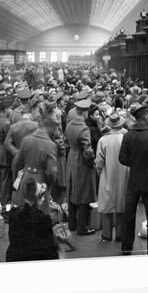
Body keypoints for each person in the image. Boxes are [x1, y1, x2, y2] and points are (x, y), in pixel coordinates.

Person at [118, 102, 148, 255]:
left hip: (134, 179)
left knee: (129, 213)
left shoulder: (128, 135)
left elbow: (122, 159)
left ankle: (126, 247)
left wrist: (135, 163)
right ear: (145, 116)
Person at [12, 110, 59, 214]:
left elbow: (17, 163)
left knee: (23, 212)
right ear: (50, 127)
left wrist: (18, 180)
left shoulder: (26, 140)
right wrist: (50, 185)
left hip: (25, 178)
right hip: (41, 183)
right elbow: (51, 172)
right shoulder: (50, 145)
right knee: (39, 215)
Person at [6, 177, 58, 262]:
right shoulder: (42, 219)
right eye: (41, 197)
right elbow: (49, 249)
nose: (44, 199)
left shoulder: (14, 214)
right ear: (35, 198)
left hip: (14, 258)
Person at [95, 112, 129, 241]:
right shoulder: (125, 137)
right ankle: (120, 234)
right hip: (124, 174)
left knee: (107, 206)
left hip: (107, 174)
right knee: (121, 204)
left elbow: (99, 161)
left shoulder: (103, 140)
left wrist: (99, 173)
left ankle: (107, 234)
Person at [64, 99, 97, 235]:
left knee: (72, 192)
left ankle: (72, 224)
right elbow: (88, 150)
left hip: (71, 158)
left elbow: (66, 141)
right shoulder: (84, 128)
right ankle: (82, 227)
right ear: (84, 113)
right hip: (81, 162)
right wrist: (92, 163)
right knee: (84, 193)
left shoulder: (69, 125)